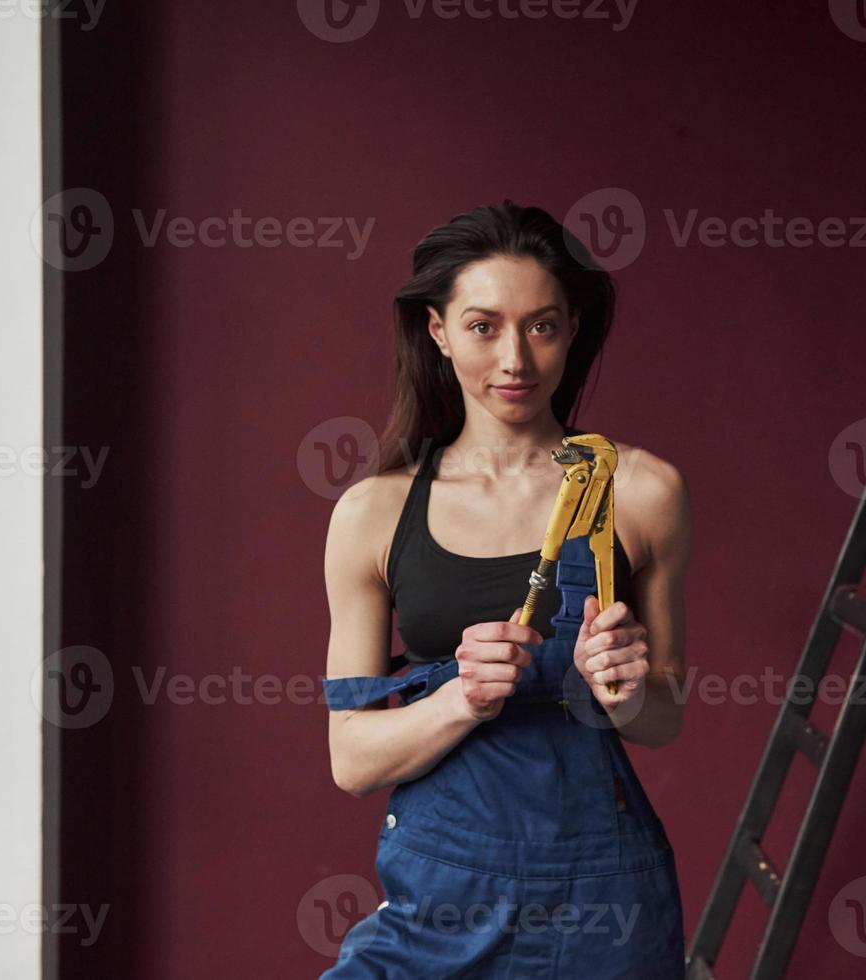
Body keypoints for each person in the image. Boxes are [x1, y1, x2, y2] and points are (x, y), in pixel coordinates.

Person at [318, 201, 692, 978]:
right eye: (484, 326)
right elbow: (351, 760)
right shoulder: (374, 514)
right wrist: (461, 697)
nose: (515, 358)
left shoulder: (640, 492)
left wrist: (620, 691)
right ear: (438, 331)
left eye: (542, 326)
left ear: (571, 330)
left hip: (602, 905)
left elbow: (662, 717)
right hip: (437, 898)